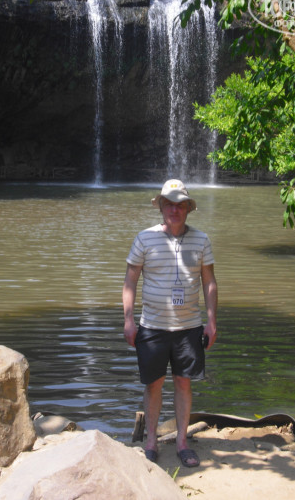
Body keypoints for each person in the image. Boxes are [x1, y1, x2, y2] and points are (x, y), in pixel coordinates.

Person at [122, 179, 217, 468]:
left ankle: (182, 443)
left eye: (180, 205)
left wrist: (211, 321)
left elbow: (209, 282)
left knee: (183, 383)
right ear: (161, 207)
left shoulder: (201, 240)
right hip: (152, 326)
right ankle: (151, 442)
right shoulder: (144, 238)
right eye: (169, 204)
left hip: (189, 327)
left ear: (188, 208)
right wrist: (128, 320)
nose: (174, 210)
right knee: (154, 385)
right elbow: (130, 281)